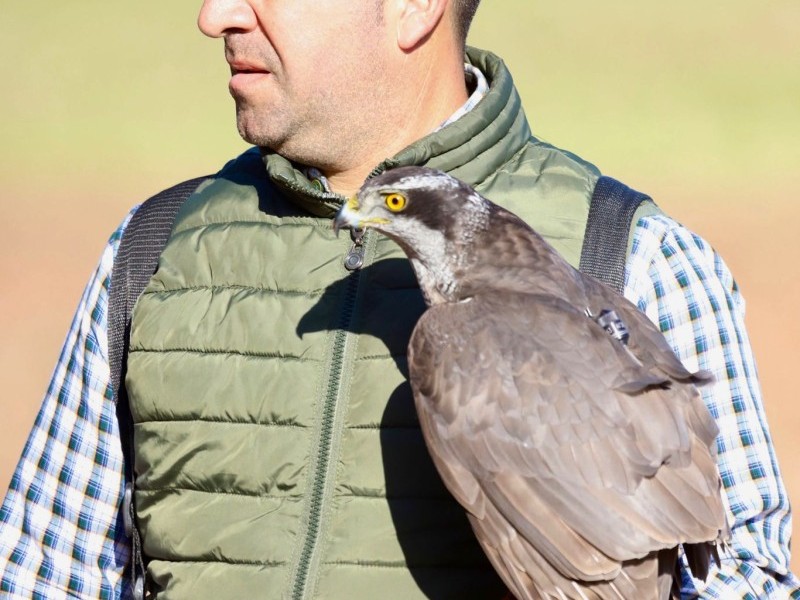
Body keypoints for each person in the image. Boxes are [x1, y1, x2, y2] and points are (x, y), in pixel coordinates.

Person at [0, 0, 797, 598]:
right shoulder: (153, 251)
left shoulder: (635, 256)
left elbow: (742, 576)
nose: (215, 15)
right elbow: (43, 573)